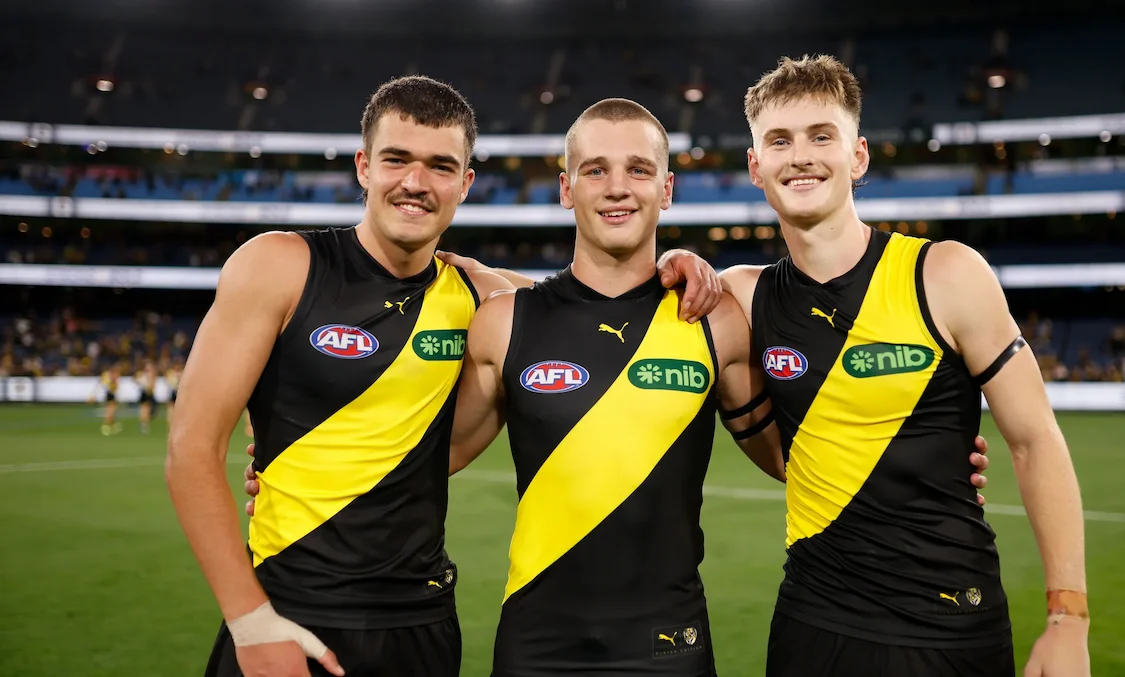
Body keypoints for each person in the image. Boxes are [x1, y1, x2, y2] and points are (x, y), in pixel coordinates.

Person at [168, 76, 717, 677]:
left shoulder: (478, 296)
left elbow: (595, 300)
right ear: (363, 167)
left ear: (465, 183)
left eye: (440, 166)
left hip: (422, 623)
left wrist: (674, 263)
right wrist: (250, 621)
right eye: (396, 159)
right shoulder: (279, 266)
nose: (415, 182)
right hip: (290, 609)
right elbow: (191, 448)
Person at [438, 99, 991, 676]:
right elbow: (425, 458)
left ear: (667, 189)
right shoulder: (504, 324)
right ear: (565, 188)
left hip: (671, 646)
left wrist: (927, 462)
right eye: (595, 170)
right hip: (536, 646)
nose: (617, 187)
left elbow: (794, 460)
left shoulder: (714, 321)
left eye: (639, 170)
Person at [718, 55, 1089, 677]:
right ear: (756, 167)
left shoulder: (947, 274)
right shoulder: (742, 296)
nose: (800, 156)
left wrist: (1068, 618)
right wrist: (676, 259)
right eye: (779, 141)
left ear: (858, 156)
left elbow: (1035, 441)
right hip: (814, 621)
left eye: (821, 136)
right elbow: (788, 456)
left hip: (952, 623)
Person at [136, 360, 158, 434]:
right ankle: (144, 424)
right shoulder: (145, 374)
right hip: (146, 393)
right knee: (145, 409)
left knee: (146, 409)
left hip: (147, 393)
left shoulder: (147, 374)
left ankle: (144, 424)